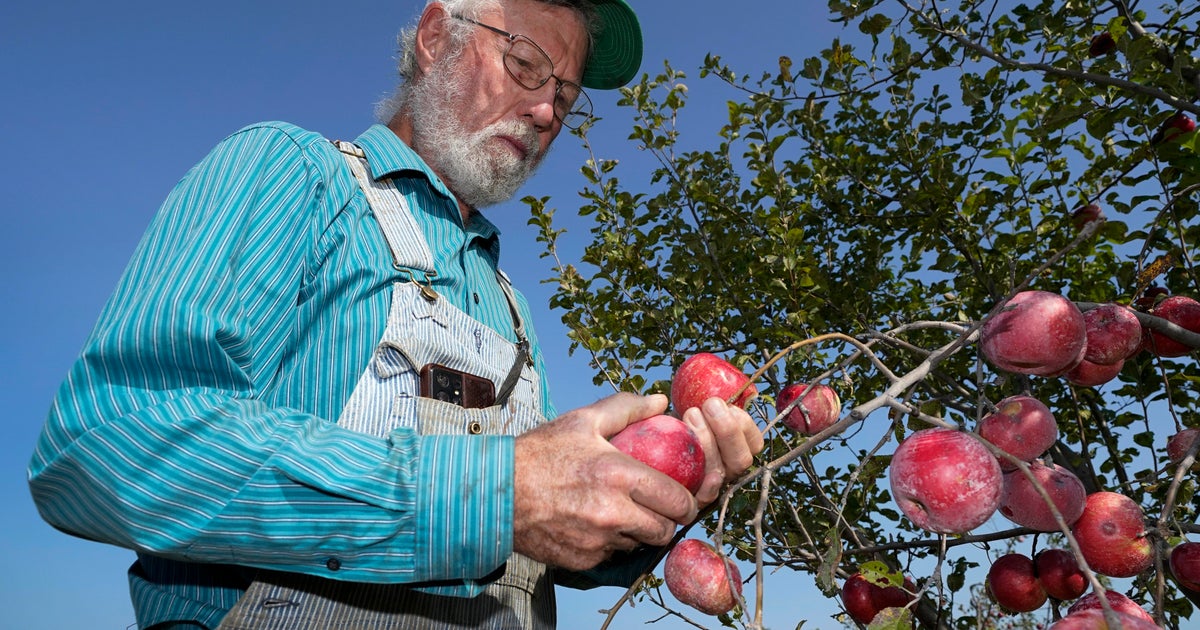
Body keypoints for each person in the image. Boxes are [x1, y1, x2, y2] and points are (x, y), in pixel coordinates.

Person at [27, 1, 765, 628]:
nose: (545, 111)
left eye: (565, 99)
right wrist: (495, 493)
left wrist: (652, 506)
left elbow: (529, 544)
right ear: (437, 35)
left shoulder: (510, 308)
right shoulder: (298, 178)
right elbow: (107, 443)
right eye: (527, 65)